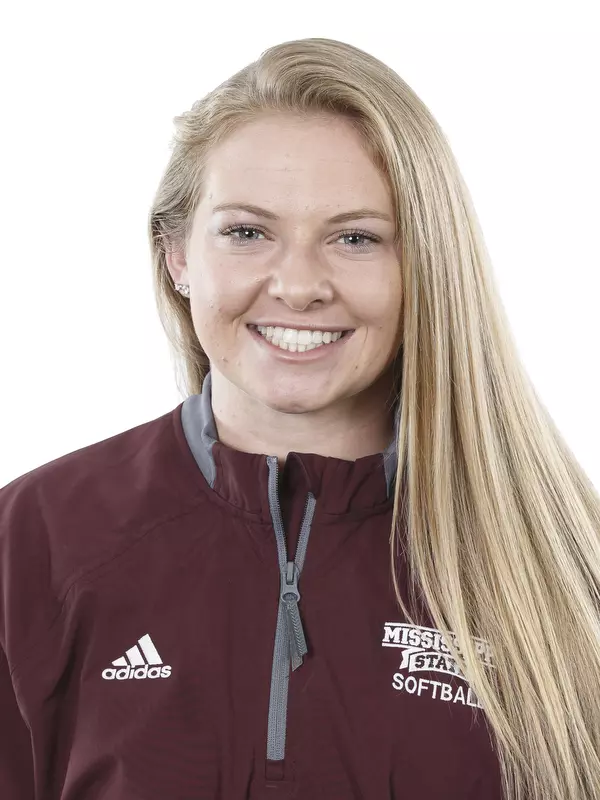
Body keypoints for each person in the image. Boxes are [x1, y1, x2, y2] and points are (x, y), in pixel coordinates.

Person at [0, 36, 599, 800]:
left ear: (425, 264)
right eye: (248, 233)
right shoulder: (32, 541)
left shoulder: (562, 568)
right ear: (178, 254)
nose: (299, 285)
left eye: (355, 238)